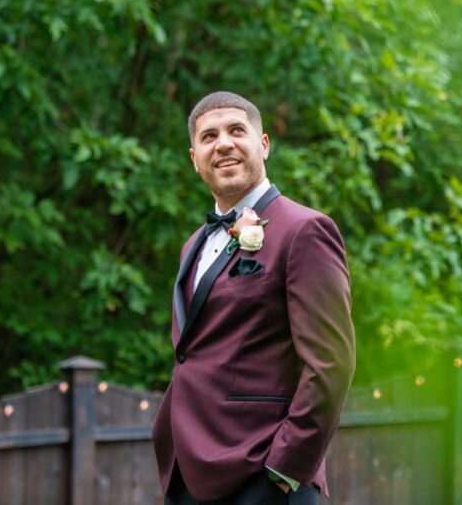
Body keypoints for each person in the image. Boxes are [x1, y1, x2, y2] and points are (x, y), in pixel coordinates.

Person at [152, 91, 356, 504]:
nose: (223, 143)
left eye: (236, 130)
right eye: (209, 137)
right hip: (188, 474)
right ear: (195, 157)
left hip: (264, 480)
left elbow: (331, 363)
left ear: (263, 144)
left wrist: (283, 471)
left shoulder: (305, 231)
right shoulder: (195, 243)